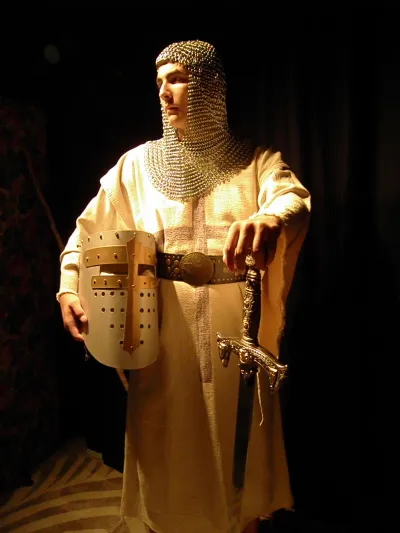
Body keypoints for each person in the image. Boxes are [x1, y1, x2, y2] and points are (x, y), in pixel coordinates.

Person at [57, 40, 311, 533]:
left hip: (234, 330)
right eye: (159, 82)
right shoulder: (136, 167)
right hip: (160, 328)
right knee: (165, 440)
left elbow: (292, 197)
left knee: (236, 444)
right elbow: (87, 233)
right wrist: (69, 286)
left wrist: (271, 219)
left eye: (176, 79)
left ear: (210, 87)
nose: (164, 92)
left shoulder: (254, 162)